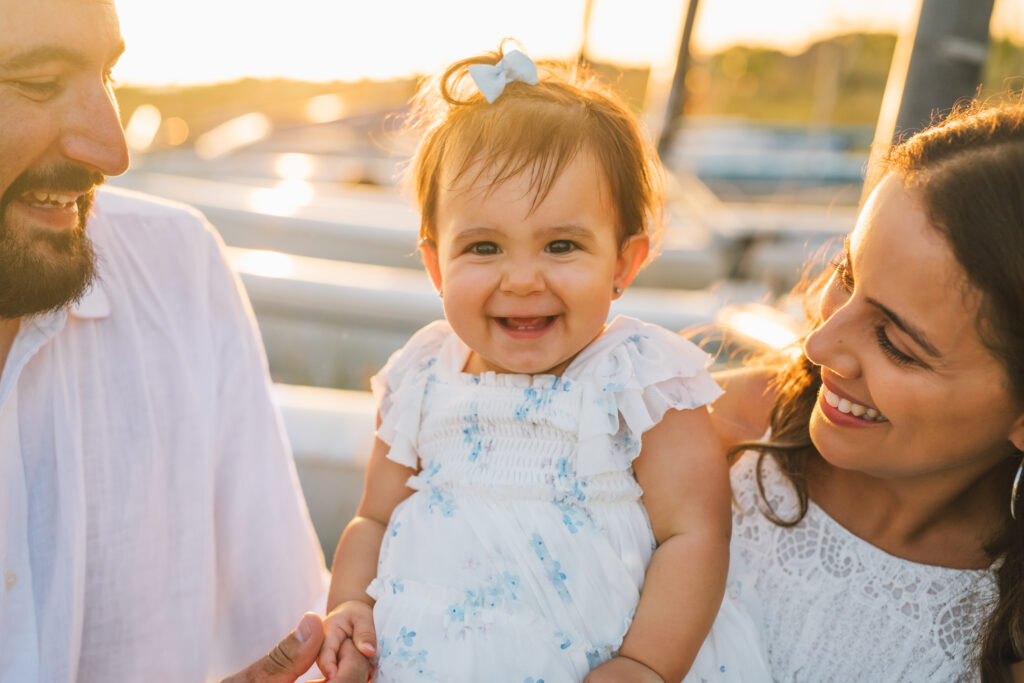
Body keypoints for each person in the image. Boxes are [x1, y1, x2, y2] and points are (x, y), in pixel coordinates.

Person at [316, 45, 737, 683]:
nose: (521, 279)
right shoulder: (422, 376)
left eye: (561, 245)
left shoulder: (636, 379)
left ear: (624, 263)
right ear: (436, 266)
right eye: (483, 247)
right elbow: (373, 517)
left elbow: (695, 536)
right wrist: (350, 603)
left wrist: (646, 665)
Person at [0, 1, 364, 680]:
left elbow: (294, 631)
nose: (113, 150)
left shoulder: (181, 269)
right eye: (39, 82)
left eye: (109, 75)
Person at [703, 100, 1024, 682]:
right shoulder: (706, 436)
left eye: (897, 344)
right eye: (846, 277)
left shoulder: (1009, 640)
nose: (818, 345)